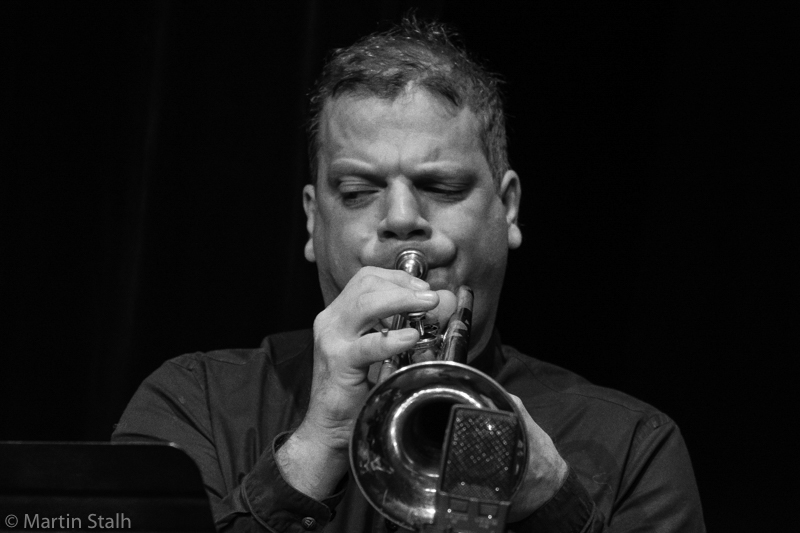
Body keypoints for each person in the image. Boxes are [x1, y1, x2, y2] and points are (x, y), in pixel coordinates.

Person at [112, 18, 705, 533]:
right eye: (357, 191)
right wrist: (316, 446)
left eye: (441, 186)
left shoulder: (632, 443)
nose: (401, 219)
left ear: (509, 209)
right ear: (313, 221)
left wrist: (550, 502)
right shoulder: (196, 402)